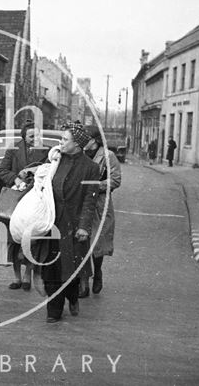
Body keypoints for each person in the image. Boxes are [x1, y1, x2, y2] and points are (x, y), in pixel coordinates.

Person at [40, 124, 99, 322]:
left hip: (72, 225)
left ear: (77, 144)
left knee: (71, 270)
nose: (61, 143)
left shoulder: (91, 168)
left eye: (65, 140)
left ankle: (72, 297)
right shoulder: (56, 159)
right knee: (50, 269)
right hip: (51, 222)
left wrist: (84, 226)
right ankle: (54, 310)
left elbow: (90, 200)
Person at [0, 121, 49, 291]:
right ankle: (16, 277)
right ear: (24, 137)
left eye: (37, 135)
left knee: (31, 239)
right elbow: (2, 170)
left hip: (34, 199)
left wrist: (35, 177)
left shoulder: (45, 151)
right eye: (31, 136)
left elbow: (49, 170)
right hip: (15, 198)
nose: (35, 139)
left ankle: (27, 276)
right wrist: (16, 179)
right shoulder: (13, 150)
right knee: (14, 239)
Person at [79, 126, 122, 298]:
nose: (83, 142)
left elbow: (116, 180)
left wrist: (97, 185)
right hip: (80, 203)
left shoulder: (108, 156)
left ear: (95, 141)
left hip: (99, 204)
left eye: (86, 139)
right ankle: (83, 283)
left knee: (96, 244)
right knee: (81, 243)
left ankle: (97, 273)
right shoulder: (79, 154)